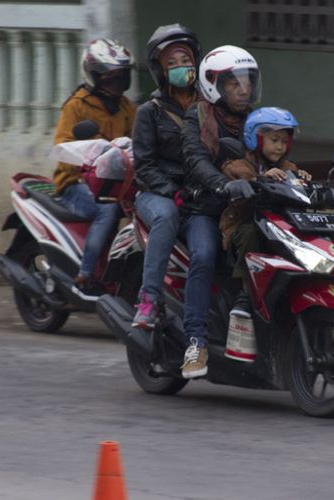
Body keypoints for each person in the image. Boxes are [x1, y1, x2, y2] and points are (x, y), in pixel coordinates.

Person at [178, 45, 262, 378]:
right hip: (206, 208)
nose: (244, 89)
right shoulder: (196, 117)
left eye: (248, 82)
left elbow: (273, 152)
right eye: (235, 83)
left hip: (246, 207)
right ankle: (195, 342)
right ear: (215, 84)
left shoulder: (256, 118)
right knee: (204, 256)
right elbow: (195, 160)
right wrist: (222, 184)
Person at [131, 23, 202, 329]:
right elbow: (143, 165)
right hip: (156, 193)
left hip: (198, 190)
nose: (180, 68)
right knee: (168, 216)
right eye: (171, 63)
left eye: (185, 60)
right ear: (160, 70)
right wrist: (170, 190)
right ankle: (148, 299)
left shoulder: (208, 106)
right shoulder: (150, 112)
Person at [52, 39, 136, 291]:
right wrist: (91, 164)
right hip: (76, 184)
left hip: (118, 184)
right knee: (108, 210)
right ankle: (86, 274)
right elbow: (62, 147)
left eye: (120, 77)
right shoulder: (76, 105)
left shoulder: (126, 108)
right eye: (109, 78)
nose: (116, 84)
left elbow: (138, 142)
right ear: (94, 77)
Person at [219, 107, 311, 318]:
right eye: (274, 140)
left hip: (277, 226)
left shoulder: (288, 166)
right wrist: (260, 179)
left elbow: (296, 182)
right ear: (255, 138)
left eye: (284, 141)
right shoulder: (239, 165)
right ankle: (244, 293)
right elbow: (240, 179)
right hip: (242, 224)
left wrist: (303, 179)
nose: (280, 146)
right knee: (252, 233)